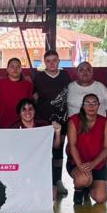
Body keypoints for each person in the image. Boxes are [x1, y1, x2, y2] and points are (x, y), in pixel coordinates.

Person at [33, 50, 71, 197]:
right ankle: (43, 181)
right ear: (44, 62)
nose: (51, 63)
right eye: (48, 61)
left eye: (54, 60)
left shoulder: (65, 76)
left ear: (59, 61)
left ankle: (58, 180)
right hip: (43, 121)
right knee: (43, 151)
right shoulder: (39, 78)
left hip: (62, 120)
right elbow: (34, 98)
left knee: (58, 151)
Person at [10, 98, 63, 199]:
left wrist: (58, 131)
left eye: (30, 109)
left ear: (35, 111)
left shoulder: (43, 125)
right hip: (23, 167)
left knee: (52, 197)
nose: (28, 112)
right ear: (19, 113)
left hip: (44, 165)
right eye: (24, 109)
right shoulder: (14, 128)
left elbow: (56, 146)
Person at [66, 94, 107, 205]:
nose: (91, 106)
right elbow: (72, 145)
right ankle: (79, 191)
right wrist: (80, 166)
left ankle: (87, 188)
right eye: (88, 103)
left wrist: (93, 164)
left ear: (98, 106)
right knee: (83, 179)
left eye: (94, 103)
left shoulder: (105, 123)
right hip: (78, 163)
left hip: (98, 164)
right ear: (83, 106)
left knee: (100, 198)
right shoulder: (73, 121)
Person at [0, 58, 33, 128]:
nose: (15, 69)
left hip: (23, 124)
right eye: (12, 66)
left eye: (18, 67)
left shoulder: (28, 85)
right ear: (7, 69)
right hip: (4, 123)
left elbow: (31, 106)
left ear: (21, 69)